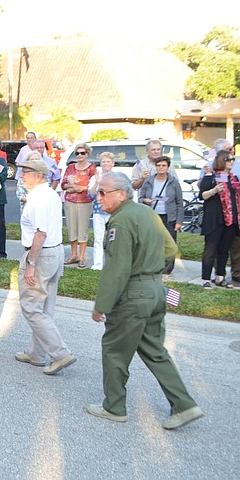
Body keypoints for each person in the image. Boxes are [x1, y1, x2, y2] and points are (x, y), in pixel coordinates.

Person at [87, 172, 203, 430]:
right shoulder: (147, 213)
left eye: (104, 192)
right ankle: (184, 405)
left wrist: (101, 305)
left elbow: (117, 269)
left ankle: (114, 407)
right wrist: (151, 271)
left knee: (115, 349)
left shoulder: (122, 221)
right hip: (155, 290)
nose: (99, 196)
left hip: (132, 294)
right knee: (154, 350)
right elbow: (170, 249)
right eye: (99, 191)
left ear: (122, 193)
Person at [14, 159, 76, 374]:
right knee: (45, 307)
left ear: (39, 175)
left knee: (31, 307)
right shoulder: (50, 193)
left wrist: (31, 263)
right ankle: (37, 353)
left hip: (41, 254)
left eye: (26, 172)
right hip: (55, 252)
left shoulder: (38, 198)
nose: (21, 175)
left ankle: (60, 354)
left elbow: (40, 233)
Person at [198, 150, 239, 289]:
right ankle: (205, 278)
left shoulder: (234, 178)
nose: (232, 162)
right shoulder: (211, 176)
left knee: (224, 249)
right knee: (210, 249)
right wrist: (214, 190)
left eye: (233, 159)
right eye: (228, 159)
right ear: (222, 160)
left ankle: (220, 277)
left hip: (230, 218)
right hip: (215, 219)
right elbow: (202, 195)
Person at [139, 156, 184, 277]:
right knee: (152, 242)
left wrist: (179, 221)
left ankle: (167, 270)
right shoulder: (149, 181)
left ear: (168, 167)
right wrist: (145, 200)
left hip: (169, 217)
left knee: (169, 243)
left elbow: (179, 202)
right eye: (158, 165)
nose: (161, 168)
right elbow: (140, 198)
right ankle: (152, 266)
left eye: (163, 165)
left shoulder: (173, 182)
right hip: (153, 215)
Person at [61, 142, 96, 268]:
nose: (80, 155)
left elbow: (93, 186)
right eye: (77, 153)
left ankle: (82, 257)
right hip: (70, 201)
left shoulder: (92, 168)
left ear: (87, 154)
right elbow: (63, 184)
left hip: (85, 202)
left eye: (83, 153)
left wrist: (78, 188)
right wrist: (71, 187)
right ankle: (74, 255)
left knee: (83, 229)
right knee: (72, 228)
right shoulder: (70, 167)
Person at [88, 152, 115, 270]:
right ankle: (98, 264)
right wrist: (97, 182)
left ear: (113, 163)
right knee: (98, 238)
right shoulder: (95, 177)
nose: (106, 164)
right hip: (98, 210)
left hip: (112, 211)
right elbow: (90, 194)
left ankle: (112, 263)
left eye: (108, 161)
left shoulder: (117, 177)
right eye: (103, 161)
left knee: (113, 239)